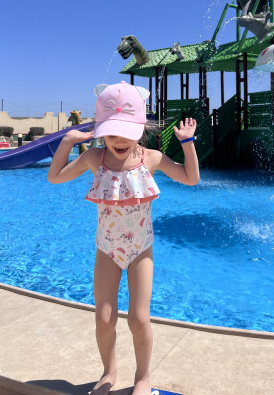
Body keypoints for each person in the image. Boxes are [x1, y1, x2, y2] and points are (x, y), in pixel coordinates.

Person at [48, 81, 199, 395]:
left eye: (126, 133)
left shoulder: (151, 158)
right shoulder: (94, 158)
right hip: (107, 250)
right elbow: (55, 177)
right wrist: (67, 141)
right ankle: (109, 372)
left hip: (140, 249)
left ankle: (143, 377)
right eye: (112, 133)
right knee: (104, 318)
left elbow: (191, 178)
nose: (119, 140)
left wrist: (187, 143)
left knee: (138, 319)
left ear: (140, 129)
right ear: (102, 131)